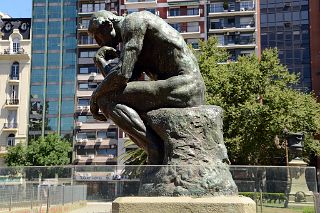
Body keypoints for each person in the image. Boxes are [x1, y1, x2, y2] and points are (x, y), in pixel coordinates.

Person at [88, 10, 205, 164]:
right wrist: (101, 62)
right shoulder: (133, 40)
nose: (98, 42)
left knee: (104, 99)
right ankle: (154, 148)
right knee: (107, 98)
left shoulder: (134, 22)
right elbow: (119, 83)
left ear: (108, 25)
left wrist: (95, 97)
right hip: (178, 88)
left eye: (97, 36)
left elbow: (121, 75)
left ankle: (155, 149)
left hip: (185, 85)